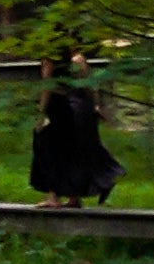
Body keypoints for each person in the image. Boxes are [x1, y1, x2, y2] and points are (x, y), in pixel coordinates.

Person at [26, 58, 120, 208]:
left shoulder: (50, 58)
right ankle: (75, 196)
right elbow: (90, 84)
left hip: (61, 106)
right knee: (74, 151)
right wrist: (95, 106)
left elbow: (47, 86)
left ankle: (53, 197)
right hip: (82, 107)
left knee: (47, 147)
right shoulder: (78, 58)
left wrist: (41, 112)